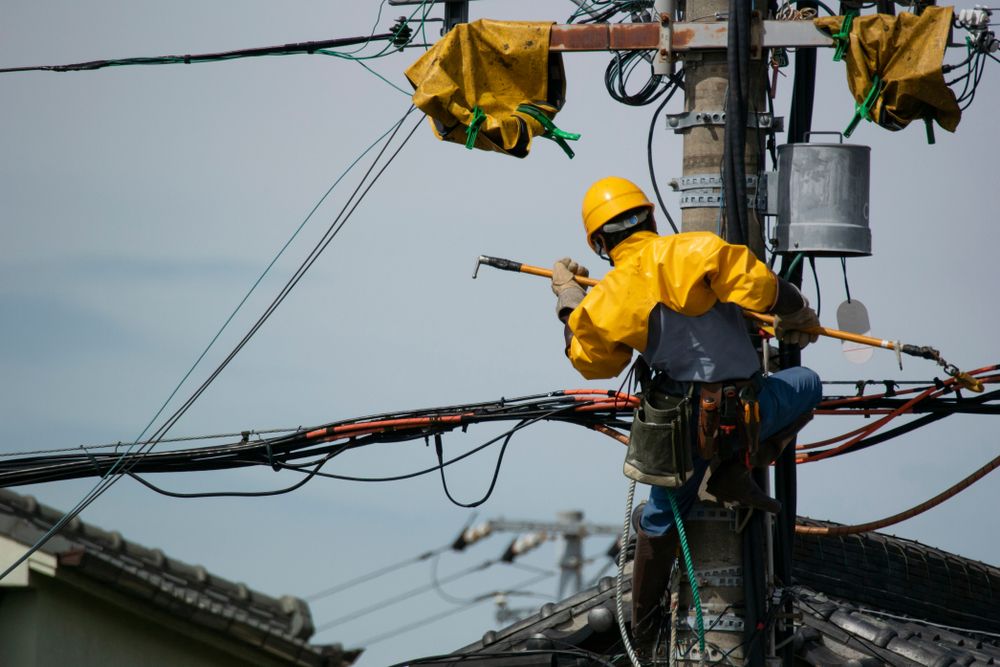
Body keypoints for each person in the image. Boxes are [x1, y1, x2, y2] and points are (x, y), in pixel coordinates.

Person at [550, 176, 822, 656]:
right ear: (651, 217)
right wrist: (795, 309)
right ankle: (737, 469)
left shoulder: (607, 297)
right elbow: (758, 285)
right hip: (749, 412)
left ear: (598, 243)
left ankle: (645, 627)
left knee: (659, 518)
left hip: (681, 427)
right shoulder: (695, 250)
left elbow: (595, 361)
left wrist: (570, 305)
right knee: (807, 385)